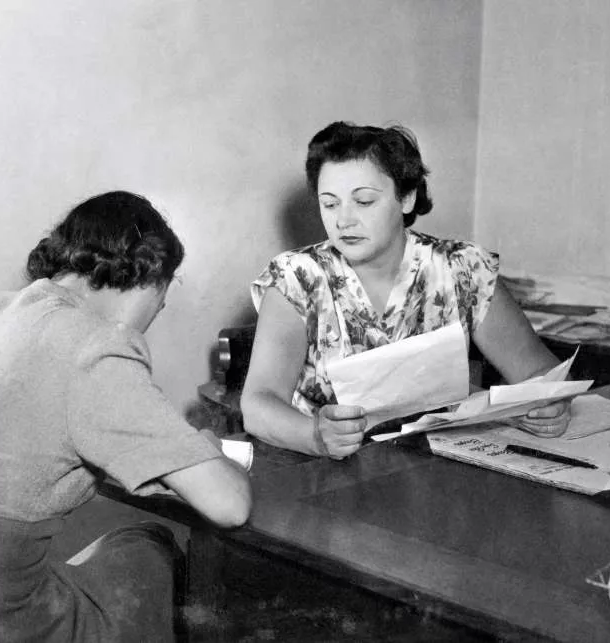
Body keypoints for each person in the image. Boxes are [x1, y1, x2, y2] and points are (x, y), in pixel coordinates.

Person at [0, 191, 252, 642]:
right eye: (161, 304)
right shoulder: (96, 347)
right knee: (151, 548)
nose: (154, 318)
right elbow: (229, 505)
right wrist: (206, 450)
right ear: (150, 280)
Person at [241, 121, 570, 459]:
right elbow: (258, 404)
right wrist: (315, 436)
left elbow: (537, 372)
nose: (344, 220)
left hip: (439, 464)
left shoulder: (462, 268)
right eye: (330, 204)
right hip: (323, 471)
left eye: (364, 201)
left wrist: (549, 404)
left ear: (407, 198)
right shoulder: (296, 278)